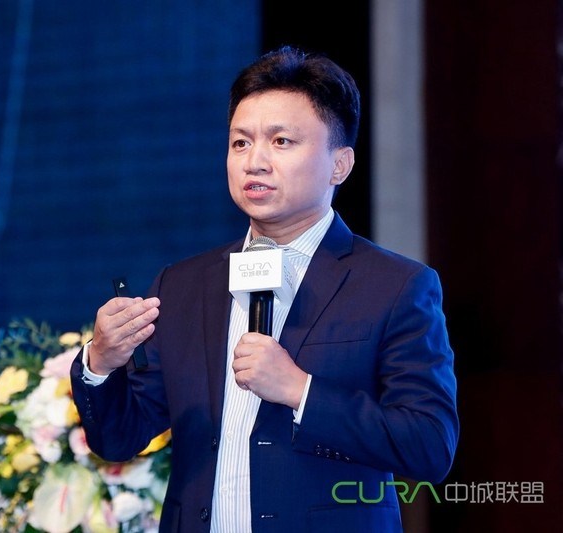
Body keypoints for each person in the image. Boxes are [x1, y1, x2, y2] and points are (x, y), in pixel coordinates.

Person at [70, 45, 458, 532]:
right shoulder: (184, 285)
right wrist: (101, 363)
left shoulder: (395, 286)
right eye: (240, 143)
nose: (254, 161)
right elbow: (120, 439)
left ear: (339, 165)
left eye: (281, 141)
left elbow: (429, 445)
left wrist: (300, 390)